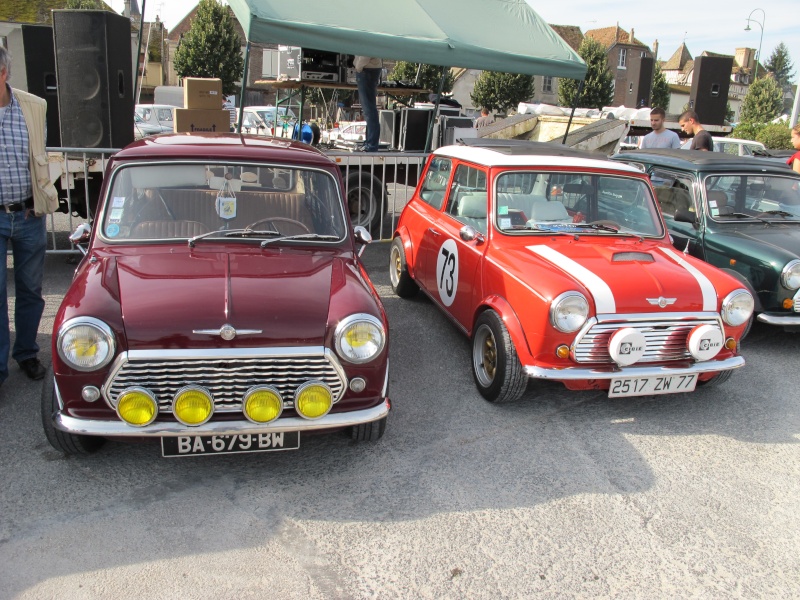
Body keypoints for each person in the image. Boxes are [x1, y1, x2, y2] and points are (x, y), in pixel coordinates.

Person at [0, 46, 59, 384]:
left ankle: (25, 353)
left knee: (30, 290)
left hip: (27, 212)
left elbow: (39, 156)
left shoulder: (33, 107)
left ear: (3, 73)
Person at [354, 56, 382, 152]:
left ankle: (371, 144)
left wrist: (358, 67)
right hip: (370, 67)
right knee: (369, 109)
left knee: (369, 109)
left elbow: (365, 53)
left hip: (367, 68)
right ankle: (370, 143)